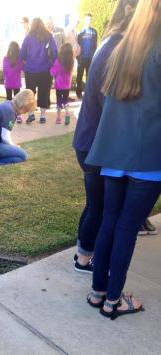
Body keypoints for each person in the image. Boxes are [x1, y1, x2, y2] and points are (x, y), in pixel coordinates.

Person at [85, 0, 161, 319]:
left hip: (114, 152)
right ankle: (113, 301)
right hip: (147, 155)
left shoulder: (121, 47)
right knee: (126, 226)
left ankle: (99, 292)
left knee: (111, 221)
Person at [72, 0, 138, 274]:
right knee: (99, 207)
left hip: (89, 141)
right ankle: (84, 259)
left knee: (94, 204)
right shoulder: (117, 48)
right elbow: (109, 101)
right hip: (96, 144)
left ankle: (82, 253)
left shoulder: (109, 42)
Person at [0, 89, 36, 167]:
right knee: (23, 155)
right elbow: (5, 137)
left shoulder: (7, 104)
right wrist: (14, 146)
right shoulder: (10, 111)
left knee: (17, 155)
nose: (24, 113)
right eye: (25, 110)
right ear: (23, 105)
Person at [19, 18, 58, 124]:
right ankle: (42, 116)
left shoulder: (28, 37)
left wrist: (24, 67)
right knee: (44, 92)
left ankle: (31, 114)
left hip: (30, 69)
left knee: (30, 93)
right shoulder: (49, 36)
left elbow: (22, 53)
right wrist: (53, 66)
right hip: (45, 69)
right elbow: (55, 53)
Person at [50, 43, 74, 125]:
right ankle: (67, 113)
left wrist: (51, 70)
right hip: (67, 85)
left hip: (59, 85)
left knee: (59, 101)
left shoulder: (58, 61)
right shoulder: (71, 61)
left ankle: (58, 118)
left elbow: (53, 72)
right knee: (66, 100)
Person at [76, 14, 97, 98]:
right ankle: (78, 92)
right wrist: (78, 57)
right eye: (87, 20)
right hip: (81, 58)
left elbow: (95, 45)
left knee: (89, 76)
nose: (88, 21)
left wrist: (94, 56)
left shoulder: (94, 32)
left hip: (90, 58)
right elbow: (77, 44)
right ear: (84, 21)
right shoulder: (80, 32)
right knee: (79, 76)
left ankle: (88, 93)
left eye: (90, 20)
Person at [3, 41, 23, 123]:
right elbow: (22, 68)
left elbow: (4, 70)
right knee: (17, 99)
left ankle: (9, 116)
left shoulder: (5, 59)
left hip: (8, 82)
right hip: (16, 82)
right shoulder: (19, 60)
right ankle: (18, 116)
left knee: (8, 99)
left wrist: (4, 79)